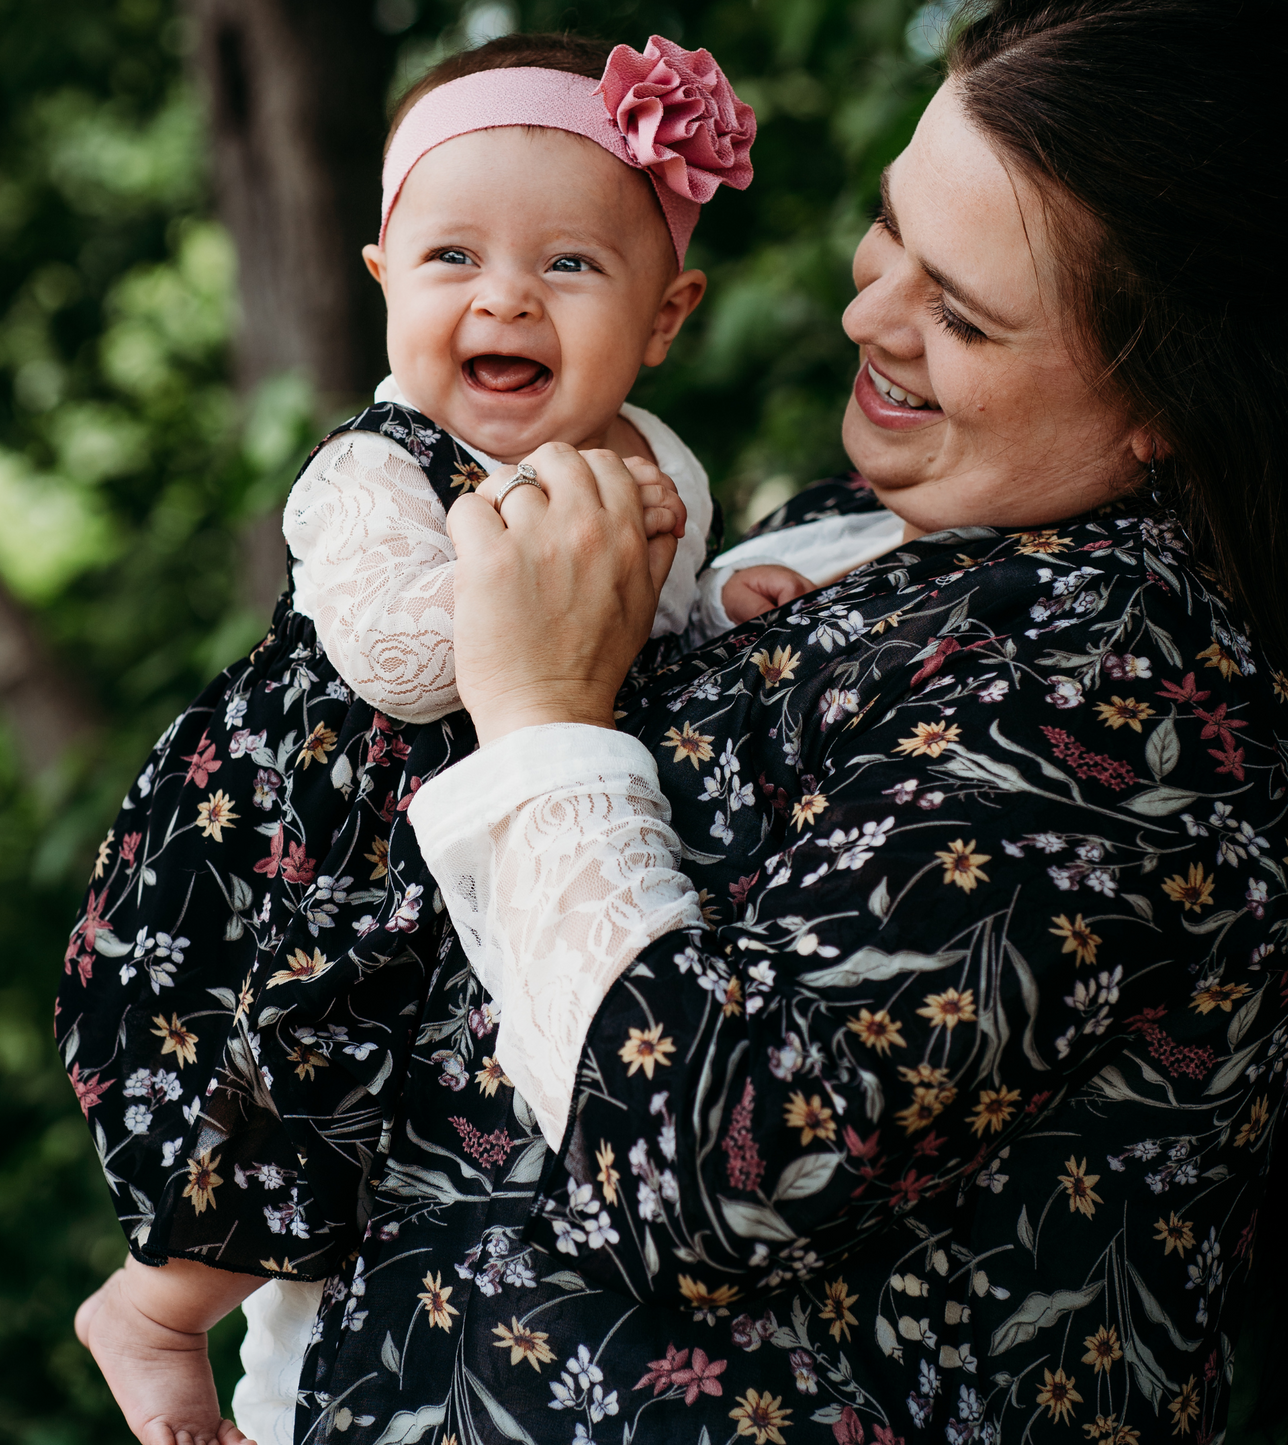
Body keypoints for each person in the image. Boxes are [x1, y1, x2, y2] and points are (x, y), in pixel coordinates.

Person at [74, 0, 1288, 1440]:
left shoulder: (1124, 689)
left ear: (1168, 396)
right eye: (889, 232)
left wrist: (536, 708)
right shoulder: (872, 523)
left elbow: (713, 1166)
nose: (867, 315)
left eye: (959, 312)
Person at [67, 30, 898, 1445]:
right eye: (454, 258)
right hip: (320, 850)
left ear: (666, 315)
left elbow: (672, 644)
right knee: (300, 1085)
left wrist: (727, 607)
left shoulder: (665, 469)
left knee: (413, 1134)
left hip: (482, 852)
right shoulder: (369, 471)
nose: (505, 295)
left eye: (570, 266)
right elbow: (394, 662)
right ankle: (153, 1308)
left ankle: (303, 1369)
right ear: (387, 280)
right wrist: (547, 605)